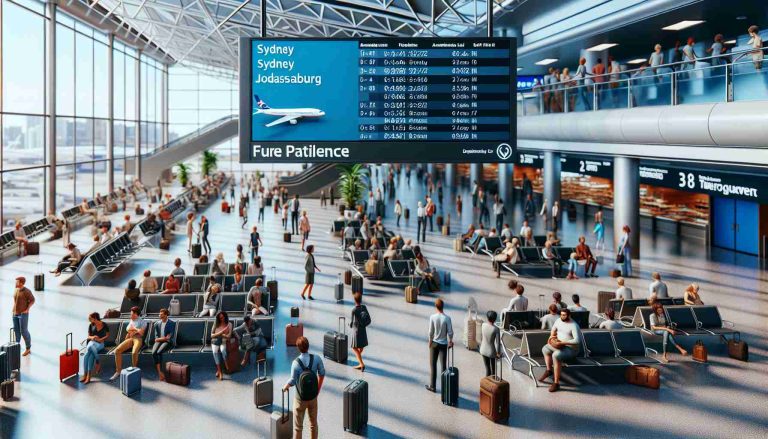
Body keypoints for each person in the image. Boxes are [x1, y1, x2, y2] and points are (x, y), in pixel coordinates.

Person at [283, 336, 326, 439]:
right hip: (313, 397)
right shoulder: (316, 358)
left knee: (298, 427)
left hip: (300, 399)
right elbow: (322, 374)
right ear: (308, 346)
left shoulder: (295, 363)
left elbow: (292, 380)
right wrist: (317, 390)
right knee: (313, 424)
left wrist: (285, 387)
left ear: (298, 348)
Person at [539, 308, 582, 392]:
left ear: (569, 315)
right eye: (561, 315)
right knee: (545, 348)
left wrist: (562, 343)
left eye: (564, 315)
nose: (562, 316)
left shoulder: (574, 325)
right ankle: (549, 370)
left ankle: (556, 383)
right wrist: (552, 337)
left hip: (571, 349)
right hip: (559, 345)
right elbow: (553, 330)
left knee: (556, 355)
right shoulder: (558, 320)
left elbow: (577, 341)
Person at [110, 306, 146, 381]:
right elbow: (128, 330)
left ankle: (134, 370)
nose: (131, 316)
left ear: (136, 314)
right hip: (130, 338)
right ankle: (118, 371)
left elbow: (141, 333)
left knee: (134, 352)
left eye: (132, 314)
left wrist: (134, 329)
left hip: (138, 339)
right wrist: (135, 330)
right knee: (117, 351)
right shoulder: (131, 320)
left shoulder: (143, 321)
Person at [425, 298, 453, 393]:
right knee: (443, 366)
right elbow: (450, 332)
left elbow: (430, 331)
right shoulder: (447, 318)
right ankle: (445, 388)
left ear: (435, 306)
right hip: (443, 344)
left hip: (434, 344)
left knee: (433, 365)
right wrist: (451, 341)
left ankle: (432, 386)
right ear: (443, 306)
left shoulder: (432, 317)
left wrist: (430, 341)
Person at [81, 312, 109, 384]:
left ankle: (87, 376)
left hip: (100, 343)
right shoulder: (91, 325)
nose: (89, 319)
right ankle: (97, 362)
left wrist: (101, 339)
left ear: (95, 318)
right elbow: (88, 336)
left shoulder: (104, 324)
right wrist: (93, 337)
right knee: (90, 348)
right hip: (92, 342)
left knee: (88, 355)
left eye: (90, 318)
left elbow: (107, 335)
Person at [151, 308, 176, 381]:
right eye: (159, 314)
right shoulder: (156, 324)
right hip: (159, 341)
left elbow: (169, 337)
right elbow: (156, 337)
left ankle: (162, 371)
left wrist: (161, 339)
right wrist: (162, 338)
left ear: (166, 315)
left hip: (167, 342)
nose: (159, 315)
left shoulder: (171, 323)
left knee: (159, 352)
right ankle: (159, 372)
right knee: (153, 353)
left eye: (161, 314)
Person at [349, 292, 370, 371]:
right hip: (363, 329)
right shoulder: (364, 307)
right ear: (361, 300)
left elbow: (351, 323)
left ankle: (361, 364)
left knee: (354, 347)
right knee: (361, 347)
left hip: (356, 330)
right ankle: (359, 359)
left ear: (354, 300)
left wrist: (350, 325)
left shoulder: (354, 310)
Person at [211, 311, 232, 380]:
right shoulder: (216, 323)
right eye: (220, 318)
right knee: (214, 352)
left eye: (222, 317)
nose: (221, 319)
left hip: (223, 341)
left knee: (223, 351)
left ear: (225, 317)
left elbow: (229, 336)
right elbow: (211, 335)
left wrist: (222, 335)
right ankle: (220, 372)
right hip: (215, 341)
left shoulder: (229, 324)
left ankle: (223, 367)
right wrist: (221, 333)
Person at [479, 311, 501, 377]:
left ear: (487, 317)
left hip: (482, 349)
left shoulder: (483, 325)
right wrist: (498, 353)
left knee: (487, 369)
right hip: (491, 352)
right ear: (495, 319)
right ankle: (492, 385)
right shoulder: (496, 329)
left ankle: (486, 385)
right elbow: (498, 343)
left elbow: (481, 337)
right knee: (493, 371)